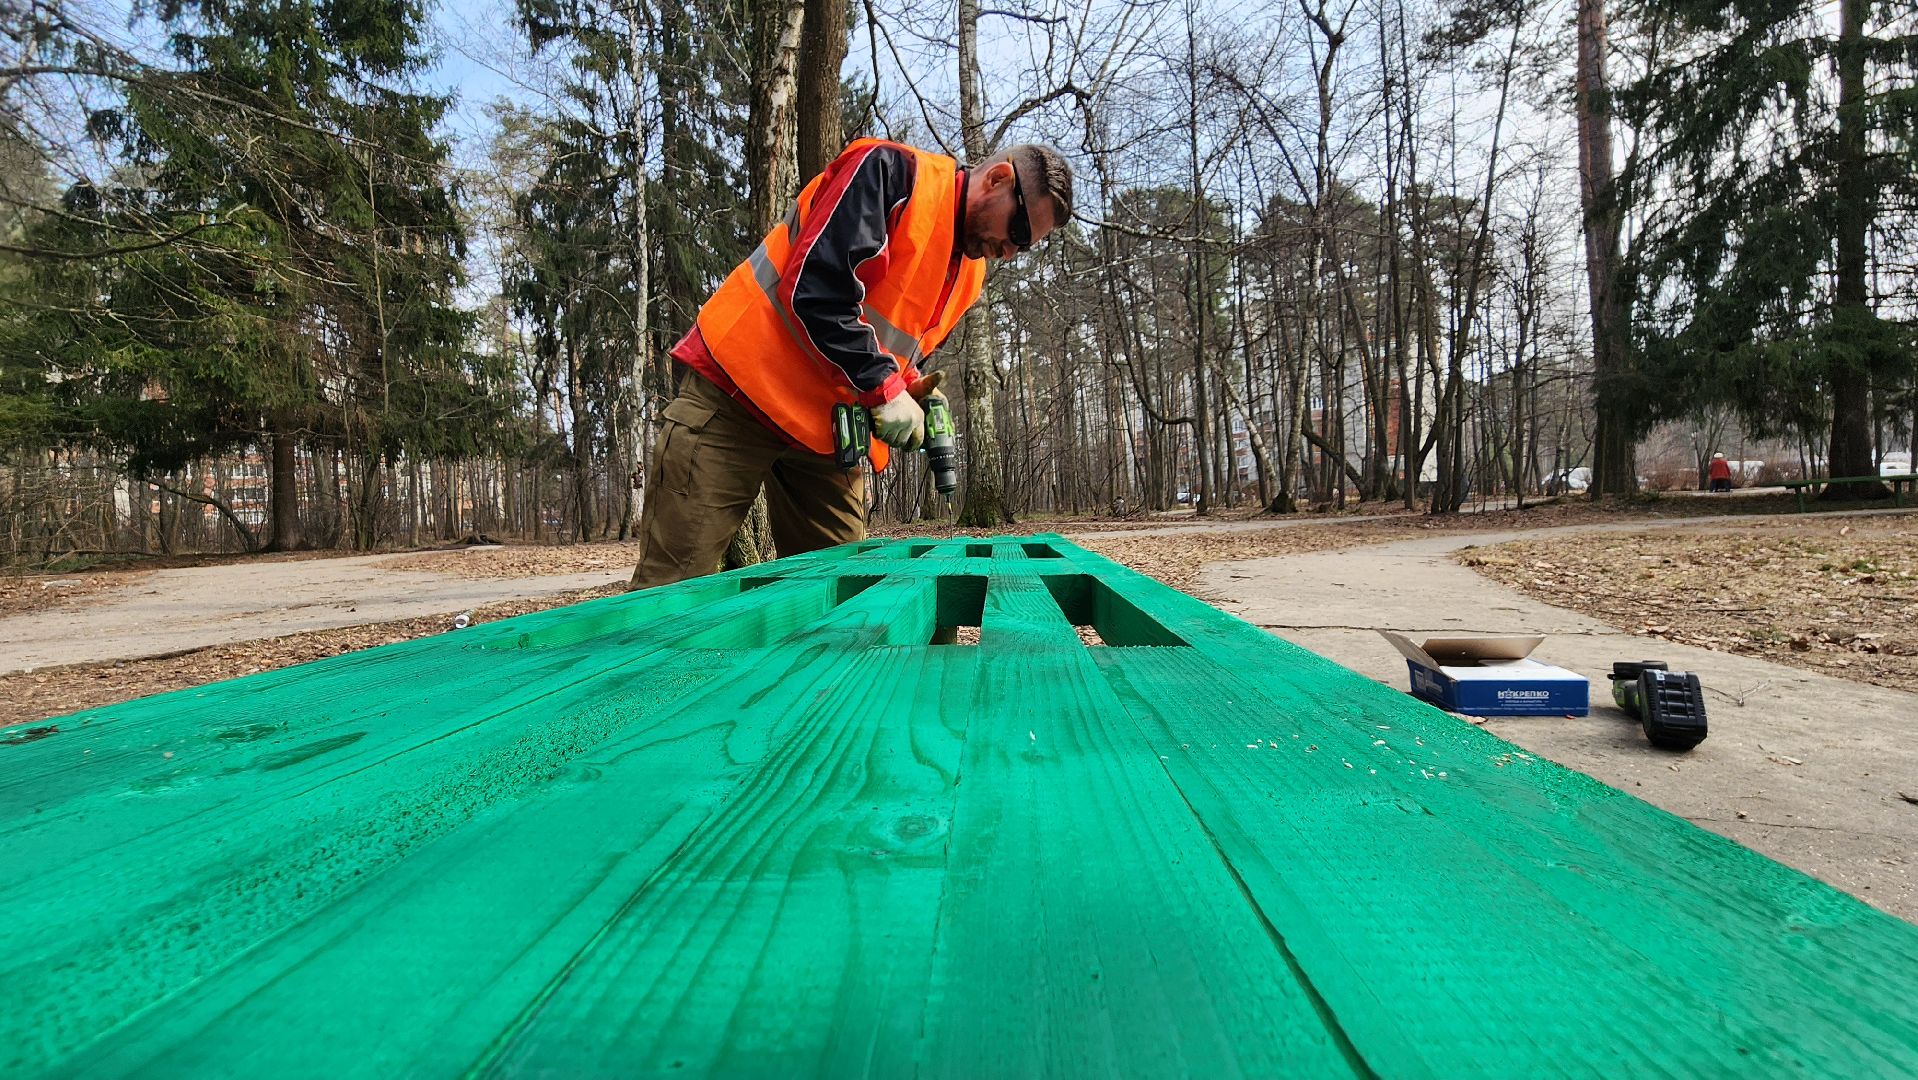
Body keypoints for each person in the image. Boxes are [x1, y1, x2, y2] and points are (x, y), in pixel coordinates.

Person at [629, 139, 1073, 590]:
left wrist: (911, 385)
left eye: (1026, 245)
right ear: (998, 178)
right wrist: (883, 386)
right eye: (1017, 230)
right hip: (738, 394)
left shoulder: (968, 272)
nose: (1012, 251)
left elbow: (888, 340)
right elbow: (814, 289)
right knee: (671, 594)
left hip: (826, 432)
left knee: (847, 598)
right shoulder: (893, 175)